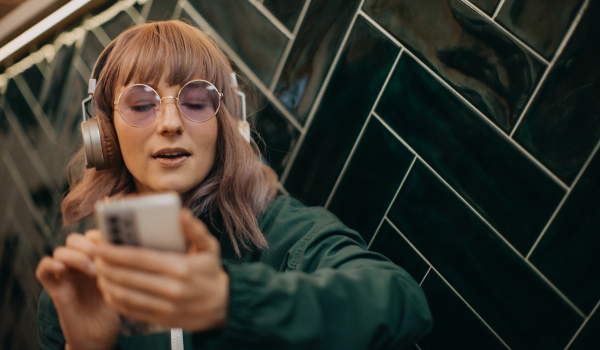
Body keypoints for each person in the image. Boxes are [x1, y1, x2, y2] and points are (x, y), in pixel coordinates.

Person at [35, 20, 432, 350]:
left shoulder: (284, 233)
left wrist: (229, 299)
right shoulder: (75, 291)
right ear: (103, 133)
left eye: (195, 102)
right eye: (141, 105)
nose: (170, 124)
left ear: (228, 126)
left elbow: (402, 301)